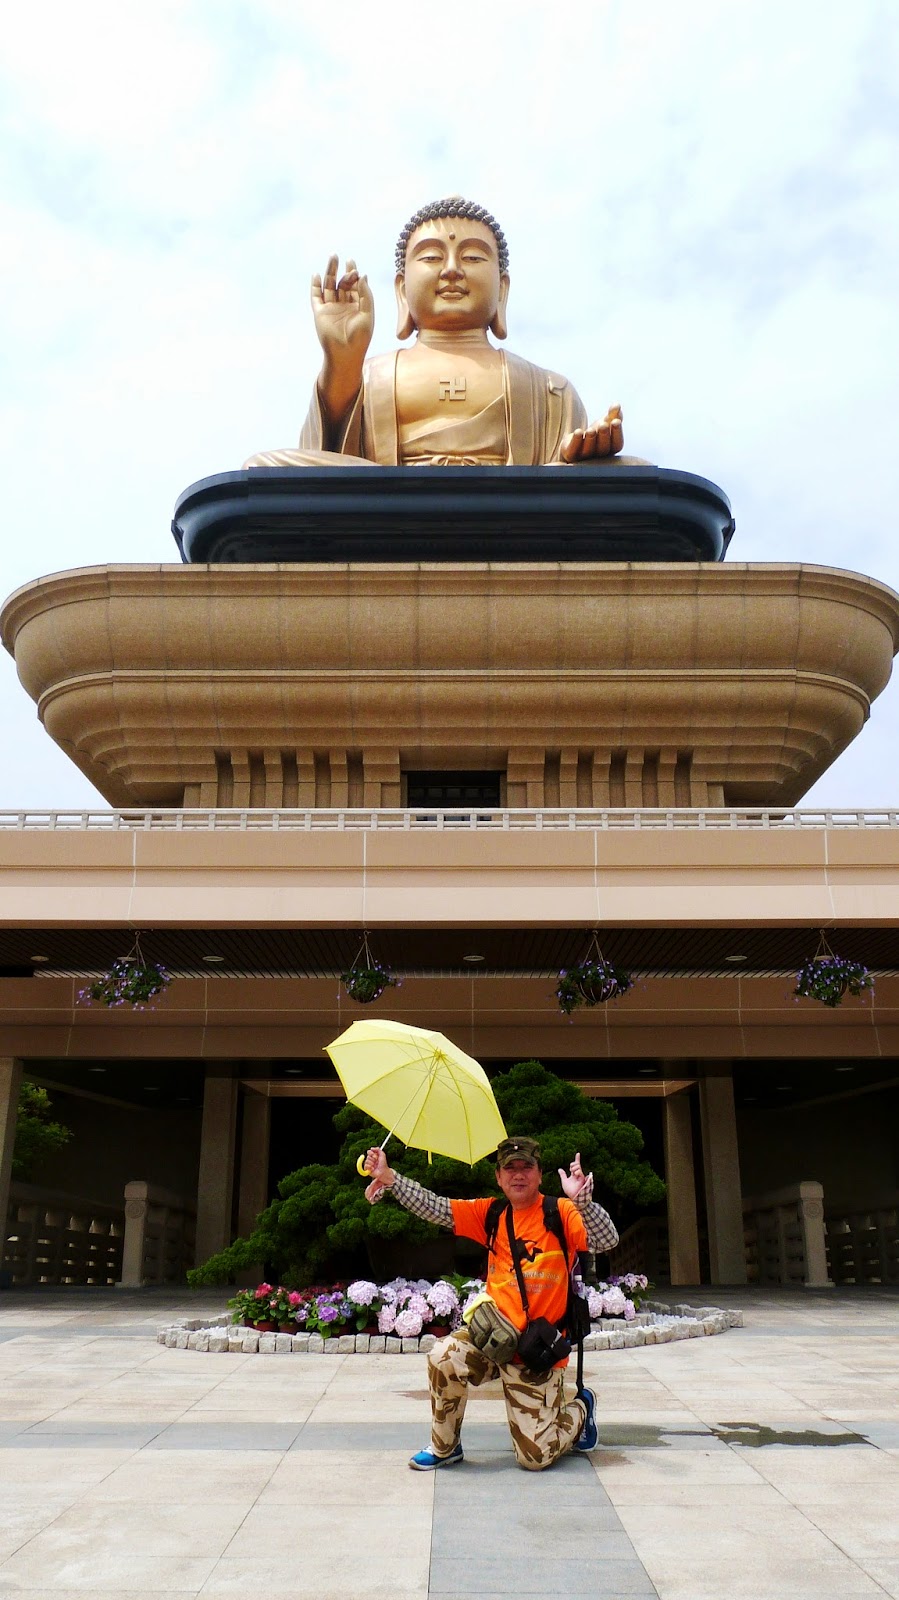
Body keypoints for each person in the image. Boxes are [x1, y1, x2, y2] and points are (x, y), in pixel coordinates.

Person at [244, 195, 644, 469]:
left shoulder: (550, 391)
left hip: (513, 508)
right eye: (432, 257)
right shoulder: (365, 377)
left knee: (631, 471)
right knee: (263, 469)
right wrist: (342, 360)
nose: (452, 269)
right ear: (402, 290)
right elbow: (321, 457)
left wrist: (580, 459)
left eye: (472, 257)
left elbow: (560, 478)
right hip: (387, 503)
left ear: (502, 289)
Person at [362, 1135, 619, 1471]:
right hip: (493, 1337)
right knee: (442, 1356)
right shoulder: (491, 1214)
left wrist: (583, 1203)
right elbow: (436, 1207)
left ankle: (581, 1408)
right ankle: (445, 1446)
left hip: (536, 1350)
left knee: (535, 1458)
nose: (518, 1174)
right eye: (509, 1168)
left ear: (539, 1174)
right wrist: (389, 1177)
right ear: (498, 1177)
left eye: (526, 1166)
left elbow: (606, 1240)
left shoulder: (561, 1212)